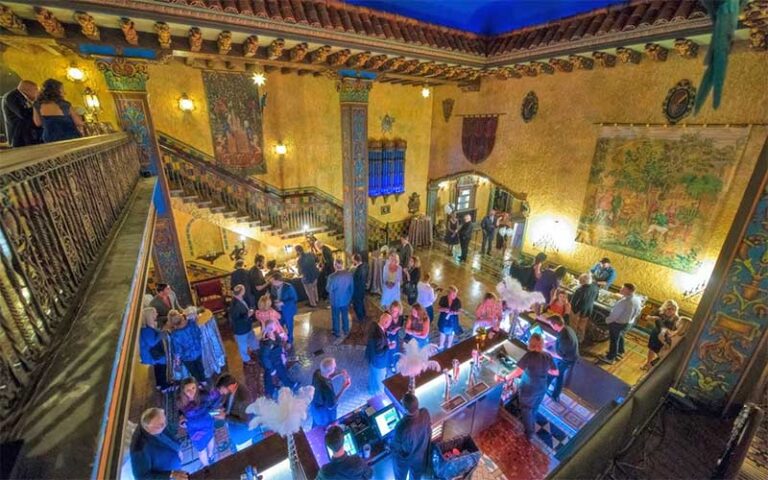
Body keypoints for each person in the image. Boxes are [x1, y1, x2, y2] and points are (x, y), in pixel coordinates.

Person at [505, 333, 559, 439]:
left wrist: (506, 378)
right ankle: (532, 421)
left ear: (531, 343)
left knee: (526, 410)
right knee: (534, 407)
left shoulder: (529, 356)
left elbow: (517, 372)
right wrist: (543, 369)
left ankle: (529, 433)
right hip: (542, 387)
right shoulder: (547, 355)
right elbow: (556, 372)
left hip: (529, 389)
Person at [130, 408, 187, 480]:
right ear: (148, 429)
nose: (165, 425)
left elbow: (168, 429)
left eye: (164, 421)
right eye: (160, 425)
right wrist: (171, 474)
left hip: (175, 465)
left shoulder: (159, 423)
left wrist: (179, 423)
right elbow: (141, 477)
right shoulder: (139, 448)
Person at [176, 377, 221, 467]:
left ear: (197, 387)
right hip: (194, 430)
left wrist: (213, 411)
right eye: (188, 390)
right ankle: (207, 466)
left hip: (207, 423)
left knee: (210, 439)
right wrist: (181, 420)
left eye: (193, 388)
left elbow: (217, 397)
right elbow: (180, 413)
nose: (191, 392)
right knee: (201, 449)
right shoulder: (180, 401)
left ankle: (211, 455)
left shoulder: (203, 395)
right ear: (183, 391)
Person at [392, 393, 432, 480]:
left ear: (405, 410)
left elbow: (396, 447)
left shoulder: (401, 426)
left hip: (405, 459)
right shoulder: (425, 412)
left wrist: (388, 446)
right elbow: (428, 429)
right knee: (415, 476)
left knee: (400, 476)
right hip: (420, 455)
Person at [600, 283, 642, 365]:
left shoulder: (624, 302)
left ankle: (610, 357)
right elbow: (638, 311)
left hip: (618, 323)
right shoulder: (637, 299)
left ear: (628, 290)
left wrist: (607, 320)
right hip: (629, 323)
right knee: (621, 336)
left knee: (614, 340)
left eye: (623, 288)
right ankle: (620, 352)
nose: (620, 289)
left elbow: (615, 315)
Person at [32, 78, 83, 143]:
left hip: (50, 138)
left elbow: (38, 123)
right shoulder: (64, 104)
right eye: (62, 90)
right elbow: (79, 122)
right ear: (56, 91)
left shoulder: (37, 104)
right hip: (69, 137)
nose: (65, 93)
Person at [215, 374, 257, 450]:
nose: (221, 393)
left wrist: (225, 417)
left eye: (222, 389)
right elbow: (229, 401)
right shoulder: (233, 388)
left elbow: (244, 421)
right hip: (235, 429)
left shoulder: (243, 400)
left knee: (244, 453)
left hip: (243, 434)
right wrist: (223, 408)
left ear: (230, 386)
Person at [259, 319, 297, 397]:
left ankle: (288, 385)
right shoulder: (268, 342)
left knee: (281, 372)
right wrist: (271, 369)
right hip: (272, 362)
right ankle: (270, 392)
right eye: (275, 325)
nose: (276, 326)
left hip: (277, 359)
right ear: (271, 328)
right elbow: (264, 357)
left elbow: (279, 345)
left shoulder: (274, 335)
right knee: (270, 376)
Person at [310, 357, 351, 428]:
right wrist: (344, 388)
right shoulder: (327, 389)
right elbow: (332, 404)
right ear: (330, 371)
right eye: (334, 367)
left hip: (314, 405)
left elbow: (327, 376)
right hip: (324, 414)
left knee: (315, 423)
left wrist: (340, 373)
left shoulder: (317, 373)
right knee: (325, 427)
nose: (336, 368)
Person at [168, 310, 206, 383]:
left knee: (194, 372)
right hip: (198, 351)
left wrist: (177, 365)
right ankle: (204, 381)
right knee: (201, 368)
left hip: (187, 358)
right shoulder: (191, 323)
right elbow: (199, 333)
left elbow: (177, 351)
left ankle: (200, 385)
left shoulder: (175, 335)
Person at [138, 307, 171, 392]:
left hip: (153, 354)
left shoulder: (146, 328)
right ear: (149, 316)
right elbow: (152, 342)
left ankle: (159, 384)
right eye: (154, 313)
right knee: (162, 366)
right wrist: (163, 331)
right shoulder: (146, 330)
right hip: (152, 355)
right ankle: (164, 386)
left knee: (158, 368)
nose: (156, 315)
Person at [548, 315, 579, 403]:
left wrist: (547, 351)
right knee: (559, 376)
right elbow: (559, 341)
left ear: (555, 325)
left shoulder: (565, 337)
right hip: (569, 357)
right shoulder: (565, 328)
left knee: (550, 375)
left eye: (551, 324)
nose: (551, 326)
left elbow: (561, 356)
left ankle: (543, 393)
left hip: (566, 360)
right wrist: (551, 343)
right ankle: (555, 395)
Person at [2, 80, 41, 147]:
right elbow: (23, 114)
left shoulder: (21, 97)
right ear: (28, 90)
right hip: (19, 138)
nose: (38, 93)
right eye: (36, 90)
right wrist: (37, 107)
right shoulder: (11, 97)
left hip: (27, 137)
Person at [644, 300, 681, 370]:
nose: (671, 311)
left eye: (673, 309)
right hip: (655, 333)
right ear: (665, 308)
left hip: (665, 337)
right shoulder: (660, 312)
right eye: (669, 308)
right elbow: (647, 318)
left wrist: (667, 332)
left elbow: (676, 331)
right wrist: (653, 318)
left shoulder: (676, 318)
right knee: (651, 349)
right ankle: (648, 363)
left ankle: (653, 366)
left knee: (660, 352)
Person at [230, 284, 258, 366]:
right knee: (243, 345)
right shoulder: (234, 305)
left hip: (247, 326)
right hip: (241, 329)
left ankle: (255, 350)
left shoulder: (240, 299)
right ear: (242, 292)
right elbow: (235, 318)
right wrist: (247, 315)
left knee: (252, 338)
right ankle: (246, 359)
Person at [365, 312, 392, 395]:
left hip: (371, 356)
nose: (389, 326)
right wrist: (389, 347)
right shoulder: (379, 337)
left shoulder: (373, 325)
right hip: (379, 362)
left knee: (372, 375)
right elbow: (379, 352)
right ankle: (380, 396)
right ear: (385, 322)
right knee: (381, 381)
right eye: (389, 323)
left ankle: (371, 389)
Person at [327, 258, 354, 339]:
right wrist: (349, 298)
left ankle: (337, 332)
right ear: (342, 264)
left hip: (335, 300)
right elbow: (352, 288)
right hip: (345, 300)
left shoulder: (332, 277)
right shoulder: (349, 275)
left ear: (335, 265)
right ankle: (346, 330)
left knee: (335, 316)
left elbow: (328, 289)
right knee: (345, 315)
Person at [271, 272, 298, 346]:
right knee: (279, 326)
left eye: (273, 281)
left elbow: (294, 299)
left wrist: (283, 303)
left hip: (287, 310)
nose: (272, 283)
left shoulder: (289, 287)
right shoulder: (273, 287)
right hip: (278, 311)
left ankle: (289, 341)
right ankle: (282, 340)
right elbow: (273, 296)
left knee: (289, 326)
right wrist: (274, 300)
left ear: (278, 281)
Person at [570, 273, 599, 341]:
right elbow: (596, 298)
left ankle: (573, 338)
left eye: (580, 281)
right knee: (582, 325)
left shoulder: (580, 290)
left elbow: (573, 302)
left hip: (578, 310)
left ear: (582, 282)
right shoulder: (595, 287)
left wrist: (573, 311)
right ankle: (580, 339)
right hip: (589, 310)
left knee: (573, 325)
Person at [386, 301, 404, 372]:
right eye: (392, 310)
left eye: (396, 311)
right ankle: (391, 364)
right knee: (390, 350)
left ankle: (395, 361)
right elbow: (383, 328)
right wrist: (390, 332)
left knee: (396, 349)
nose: (393, 313)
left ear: (399, 311)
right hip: (388, 336)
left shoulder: (400, 317)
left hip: (395, 336)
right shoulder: (387, 317)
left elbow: (400, 325)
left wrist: (396, 329)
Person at [351, 253, 368, 322]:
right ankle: (363, 315)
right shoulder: (365, 266)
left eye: (353, 260)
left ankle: (361, 318)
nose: (352, 261)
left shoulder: (358, 270)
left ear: (355, 260)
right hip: (362, 287)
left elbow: (354, 279)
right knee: (361, 302)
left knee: (357, 304)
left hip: (357, 289)